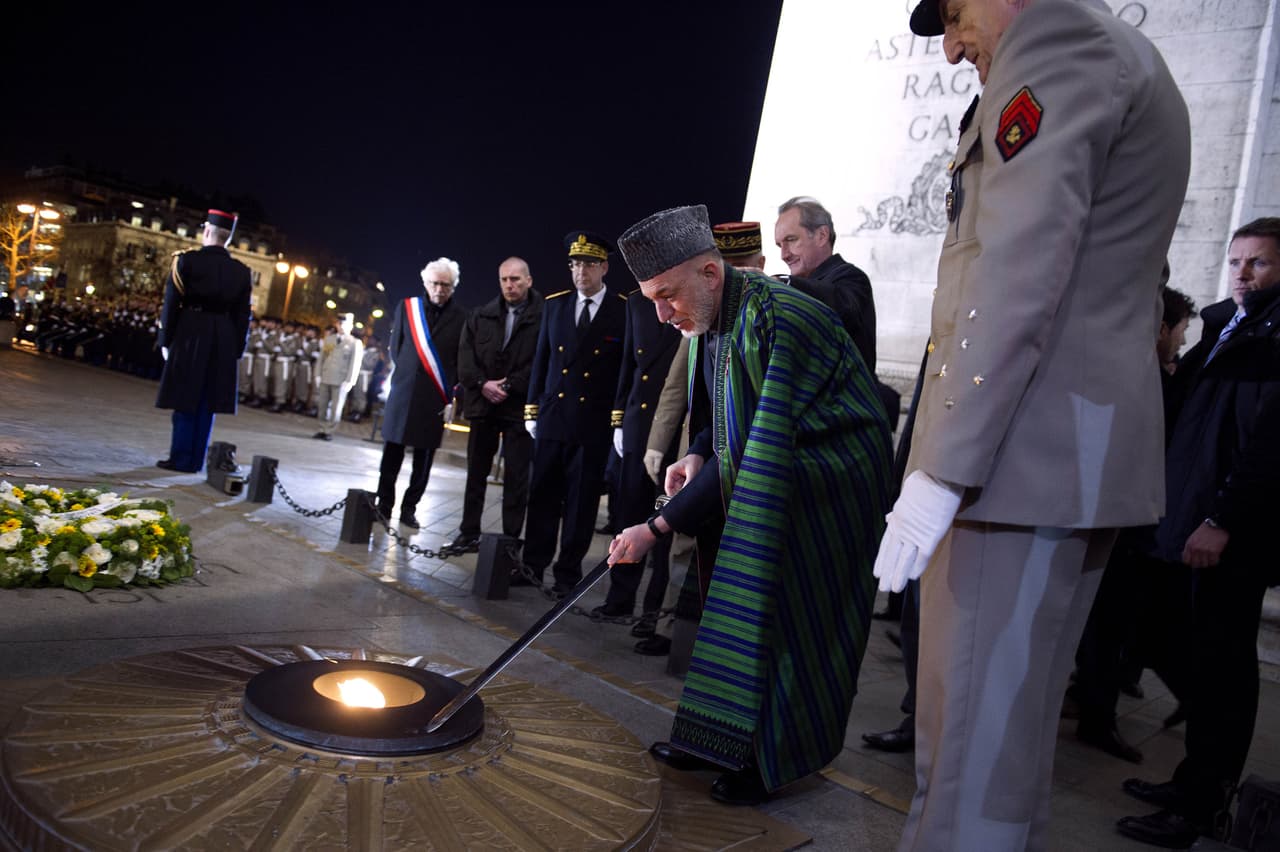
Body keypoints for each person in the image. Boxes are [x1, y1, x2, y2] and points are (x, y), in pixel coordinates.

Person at [876, 0, 1191, 848]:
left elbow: (1019, 267)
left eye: (953, 15)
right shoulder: (1114, 53)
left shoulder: (1056, 42)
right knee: (995, 755)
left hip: (1016, 457)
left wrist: (944, 466)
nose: (949, 46)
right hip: (1054, 456)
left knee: (970, 761)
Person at [609, 204, 893, 807]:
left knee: (787, 627)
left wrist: (656, 528)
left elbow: (749, 452)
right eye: (651, 301)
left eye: (667, 296)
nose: (662, 316)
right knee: (728, 609)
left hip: (826, 486)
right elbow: (723, 416)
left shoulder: (773, 319)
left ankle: (773, 762)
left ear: (710, 275)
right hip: (773, 471)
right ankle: (715, 739)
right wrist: (695, 453)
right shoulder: (716, 316)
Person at [1117, 219, 1280, 848]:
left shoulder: (1274, 337)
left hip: (1228, 532)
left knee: (1221, 669)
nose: (1242, 273)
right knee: (1168, 638)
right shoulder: (1225, 326)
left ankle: (1202, 803)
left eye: (1259, 264)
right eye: (1236, 261)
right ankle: (1191, 779)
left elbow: (1268, 449)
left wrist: (1222, 521)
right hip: (1183, 517)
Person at [520, 232, 627, 595]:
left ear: (604, 268)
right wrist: (532, 408)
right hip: (553, 417)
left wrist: (617, 420)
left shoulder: (622, 309)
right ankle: (532, 565)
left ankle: (567, 575)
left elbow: (624, 370)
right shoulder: (555, 305)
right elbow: (542, 359)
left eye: (589, 264)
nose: (581, 271)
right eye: (575, 263)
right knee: (543, 496)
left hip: (592, 425)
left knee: (581, 506)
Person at [592, 272, 682, 619]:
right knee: (628, 515)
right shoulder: (636, 302)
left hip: (673, 429)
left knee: (666, 521)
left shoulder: (690, 299)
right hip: (637, 423)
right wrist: (619, 417)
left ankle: (653, 614)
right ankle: (619, 600)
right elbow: (629, 365)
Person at [450, 256, 544, 552]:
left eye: (515, 279)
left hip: (519, 409)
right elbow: (465, 358)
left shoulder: (545, 316)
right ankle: (468, 534)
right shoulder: (481, 315)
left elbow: (543, 360)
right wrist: (482, 384)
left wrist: (509, 385)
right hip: (483, 405)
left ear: (528, 280)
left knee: (517, 480)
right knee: (476, 475)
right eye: (504, 279)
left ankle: (509, 543)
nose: (509, 284)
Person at [154, 209, 252, 473]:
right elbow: (244, 316)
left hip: (190, 330)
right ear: (228, 238)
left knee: (185, 396)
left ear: (207, 231)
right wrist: (237, 349)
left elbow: (171, 304)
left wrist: (165, 339)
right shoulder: (242, 272)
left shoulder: (187, 261)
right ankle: (196, 460)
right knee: (207, 401)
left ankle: (181, 457)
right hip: (223, 335)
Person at [376, 258, 465, 529]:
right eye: (435, 283)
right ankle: (384, 506)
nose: (439, 289)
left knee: (423, 461)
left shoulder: (462, 318)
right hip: (404, 393)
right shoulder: (407, 308)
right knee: (392, 454)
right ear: (425, 283)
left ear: (453, 287)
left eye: (445, 285)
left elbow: (460, 359)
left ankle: (409, 509)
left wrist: (450, 391)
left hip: (434, 397)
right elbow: (396, 347)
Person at [773, 196, 875, 371]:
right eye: (779, 245)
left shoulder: (852, 278)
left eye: (791, 240)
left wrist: (783, 284)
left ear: (821, 236)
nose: (784, 255)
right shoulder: (800, 284)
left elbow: (842, 306)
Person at [312, 313, 363, 442]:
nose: (341, 326)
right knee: (322, 404)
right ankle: (321, 428)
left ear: (350, 326)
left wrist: (350, 381)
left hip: (341, 380)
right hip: (326, 375)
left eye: (344, 324)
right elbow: (322, 358)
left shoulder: (354, 343)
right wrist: (317, 374)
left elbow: (355, 363)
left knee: (336, 407)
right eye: (339, 323)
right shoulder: (330, 339)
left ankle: (329, 430)